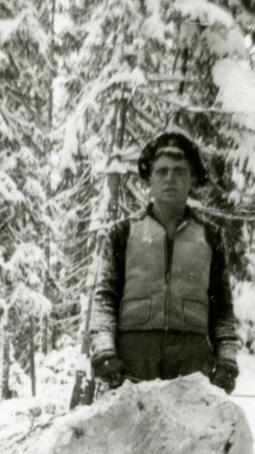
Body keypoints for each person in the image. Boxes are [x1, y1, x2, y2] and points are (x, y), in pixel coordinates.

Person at [89, 132, 240, 394]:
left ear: (193, 179)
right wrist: (104, 350)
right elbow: (105, 298)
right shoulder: (122, 233)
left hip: (192, 362)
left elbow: (222, 307)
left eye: (180, 171)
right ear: (150, 179)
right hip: (132, 361)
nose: (170, 178)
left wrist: (227, 358)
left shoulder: (210, 237)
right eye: (162, 171)